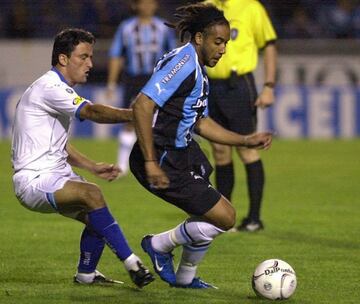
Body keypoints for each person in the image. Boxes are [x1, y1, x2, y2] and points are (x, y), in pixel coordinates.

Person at [129, 3, 272, 289]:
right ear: (199, 38)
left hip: (182, 152)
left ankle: (184, 279)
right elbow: (142, 105)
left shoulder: (195, 67)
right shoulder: (183, 64)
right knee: (226, 217)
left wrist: (244, 139)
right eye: (218, 42)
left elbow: (201, 123)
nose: (223, 49)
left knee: (211, 212)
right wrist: (150, 162)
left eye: (226, 43)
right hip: (163, 155)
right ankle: (158, 245)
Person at [11, 28, 154, 288]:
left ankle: (86, 275)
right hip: (33, 179)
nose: (90, 64)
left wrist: (91, 165)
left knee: (97, 217)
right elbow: (93, 111)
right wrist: (137, 114)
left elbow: (59, 145)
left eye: (90, 57)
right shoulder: (50, 87)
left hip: (53, 174)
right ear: (63, 59)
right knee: (92, 195)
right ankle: (133, 263)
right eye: (83, 57)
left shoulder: (56, 88)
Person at [205, 0, 278, 232]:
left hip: (239, 85)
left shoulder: (250, 7)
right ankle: (224, 218)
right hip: (211, 84)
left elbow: (269, 45)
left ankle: (254, 218)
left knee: (247, 149)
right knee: (219, 150)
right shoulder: (208, 5)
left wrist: (268, 85)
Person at [107, 0, 176, 177]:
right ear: (135, 6)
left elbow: (173, 56)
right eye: (143, 3)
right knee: (130, 119)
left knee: (159, 120)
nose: (147, 6)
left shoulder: (163, 27)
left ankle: (157, 162)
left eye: (150, 3)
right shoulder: (126, 27)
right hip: (133, 79)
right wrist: (111, 84)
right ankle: (122, 165)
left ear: (155, 5)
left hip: (157, 79)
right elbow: (116, 55)